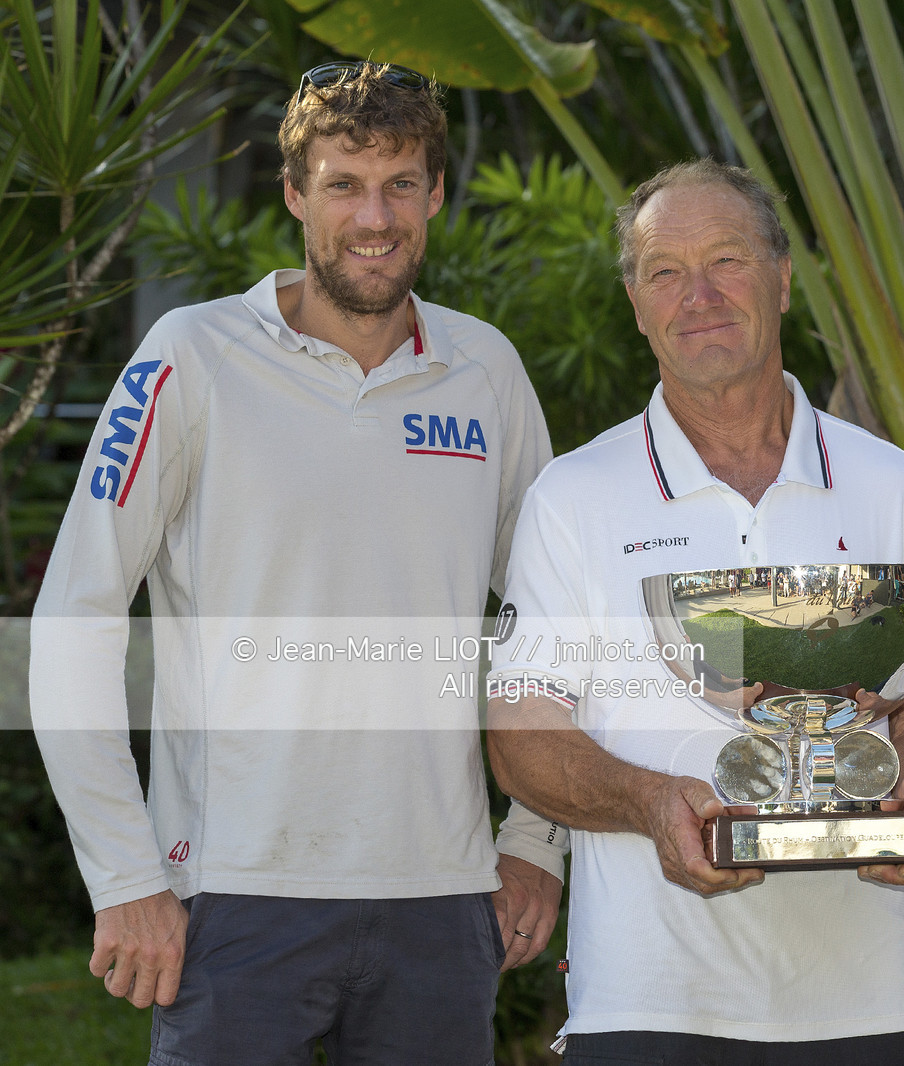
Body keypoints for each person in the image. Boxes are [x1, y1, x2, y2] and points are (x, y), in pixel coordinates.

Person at [30, 61, 565, 1064]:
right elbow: (75, 617)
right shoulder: (189, 358)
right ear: (293, 195)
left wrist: (535, 839)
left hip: (441, 901)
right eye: (343, 185)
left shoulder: (485, 369)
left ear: (437, 194)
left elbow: (553, 622)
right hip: (233, 894)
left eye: (401, 183)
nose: (376, 216)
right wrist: (124, 874)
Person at [485, 159, 904, 1066]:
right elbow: (520, 735)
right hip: (645, 1003)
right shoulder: (574, 496)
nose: (698, 295)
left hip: (859, 1005)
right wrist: (648, 803)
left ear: (783, 280)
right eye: (665, 272)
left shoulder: (892, 483)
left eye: (727, 260)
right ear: (636, 304)